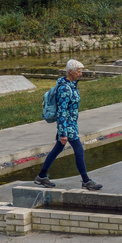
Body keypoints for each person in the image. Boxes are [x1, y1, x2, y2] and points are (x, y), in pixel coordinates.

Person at [34, 59, 102, 190]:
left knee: (57, 149)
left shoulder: (71, 85)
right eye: (78, 71)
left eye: (81, 71)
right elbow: (61, 111)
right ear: (70, 71)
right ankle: (86, 181)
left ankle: (41, 176)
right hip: (67, 126)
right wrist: (63, 133)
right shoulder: (65, 89)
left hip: (71, 124)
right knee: (79, 150)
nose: (80, 74)